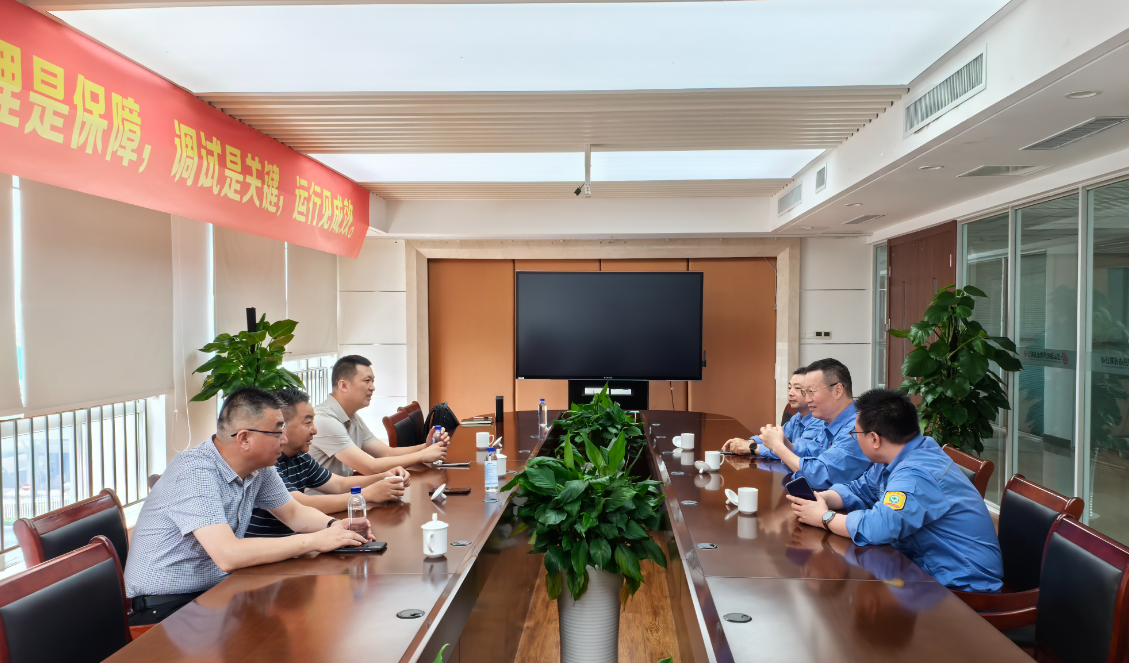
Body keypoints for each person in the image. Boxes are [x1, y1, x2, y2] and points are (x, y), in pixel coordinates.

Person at [124, 387, 374, 626]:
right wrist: (316, 540)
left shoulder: (259, 467)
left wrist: (337, 527)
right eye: (277, 432)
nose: (285, 439)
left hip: (216, 592)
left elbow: (294, 513)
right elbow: (228, 555)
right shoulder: (195, 472)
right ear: (244, 438)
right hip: (166, 608)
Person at [788, 388, 1003, 593]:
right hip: (921, 567)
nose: (856, 438)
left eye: (856, 433)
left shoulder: (916, 473)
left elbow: (879, 527)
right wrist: (823, 498)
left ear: (874, 439)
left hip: (961, 585)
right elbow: (861, 489)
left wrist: (824, 517)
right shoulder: (898, 454)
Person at [246, 388, 414, 538]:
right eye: (308, 423)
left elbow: (339, 484)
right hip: (271, 551)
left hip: (294, 541)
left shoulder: (300, 457)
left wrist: (383, 477)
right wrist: (367, 495)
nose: (314, 430)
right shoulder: (266, 464)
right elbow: (299, 505)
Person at [308, 355, 449, 476]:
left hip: (345, 493)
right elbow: (370, 467)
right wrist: (423, 455)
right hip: (325, 498)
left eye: (373, 381)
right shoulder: (324, 420)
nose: (373, 387)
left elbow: (386, 453)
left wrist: (425, 447)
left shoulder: (352, 417)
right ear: (343, 386)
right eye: (367, 381)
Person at [757, 358, 871, 489]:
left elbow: (820, 476)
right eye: (805, 393)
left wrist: (777, 447)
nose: (807, 399)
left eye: (811, 391)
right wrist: (784, 443)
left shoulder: (858, 427)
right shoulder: (829, 421)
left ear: (838, 390)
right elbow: (809, 452)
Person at [722, 366, 825, 458]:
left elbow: (796, 452)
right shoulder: (797, 417)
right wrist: (747, 442)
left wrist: (752, 447)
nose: (790, 393)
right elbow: (777, 437)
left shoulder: (819, 420)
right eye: (789, 388)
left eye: (797, 388)